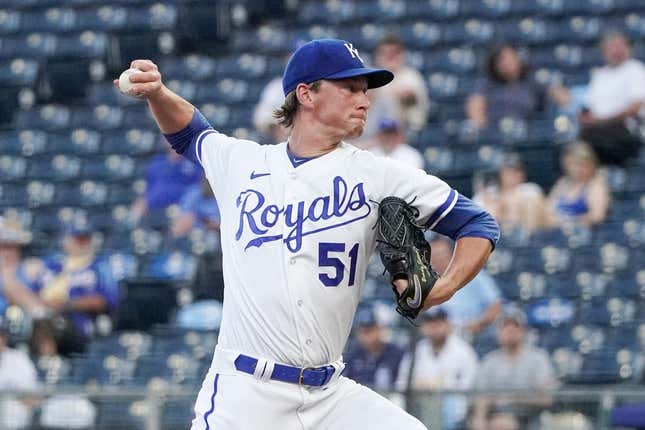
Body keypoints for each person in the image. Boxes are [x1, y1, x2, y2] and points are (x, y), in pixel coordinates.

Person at [115, 38, 499, 429]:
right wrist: (158, 93)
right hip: (246, 392)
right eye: (349, 88)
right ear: (306, 94)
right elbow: (190, 134)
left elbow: (478, 224)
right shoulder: (243, 164)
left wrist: (445, 286)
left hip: (328, 396)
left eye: (365, 90)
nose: (364, 100)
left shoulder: (380, 175)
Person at [5, 220, 119, 355]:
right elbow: (31, 292)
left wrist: (65, 305)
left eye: (85, 239)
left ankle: (47, 363)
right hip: (39, 315)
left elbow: (105, 301)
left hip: (78, 323)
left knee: (46, 322)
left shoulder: (99, 266)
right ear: (66, 240)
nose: (82, 243)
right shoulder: (52, 265)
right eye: (77, 239)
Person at [471, 307, 557, 430]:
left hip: (531, 418)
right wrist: (479, 418)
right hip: (496, 416)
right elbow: (481, 397)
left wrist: (512, 399)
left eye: (515, 326)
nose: (510, 330)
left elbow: (546, 398)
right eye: (505, 326)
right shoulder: (490, 361)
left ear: (523, 331)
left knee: (502, 424)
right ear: (498, 332)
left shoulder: (538, 358)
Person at [396, 308, 478, 430]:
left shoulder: (463, 350)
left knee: (450, 404)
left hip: (453, 407)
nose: (434, 328)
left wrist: (439, 385)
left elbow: (470, 386)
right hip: (420, 402)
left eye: (438, 323)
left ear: (448, 325)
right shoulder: (418, 349)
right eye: (430, 323)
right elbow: (402, 382)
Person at [579, 31, 645, 166]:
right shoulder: (600, 75)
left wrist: (601, 120)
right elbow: (587, 107)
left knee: (592, 137)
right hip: (598, 130)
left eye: (620, 46)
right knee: (572, 145)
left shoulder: (635, 69)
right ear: (604, 51)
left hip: (627, 129)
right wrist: (585, 118)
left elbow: (635, 108)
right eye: (612, 47)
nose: (617, 51)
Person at [465, 44, 566, 131]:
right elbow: (475, 107)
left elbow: (564, 99)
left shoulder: (532, 81)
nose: (507, 63)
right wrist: (486, 132)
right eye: (501, 60)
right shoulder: (487, 84)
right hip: (494, 133)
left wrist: (548, 82)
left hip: (526, 135)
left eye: (510, 58)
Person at [429, 237, 501, 340]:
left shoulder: (472, 272)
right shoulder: (426, 282)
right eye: (434, 256)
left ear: (452, 254)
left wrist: (478, 323)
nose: (437, 259)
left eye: (441, 254)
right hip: (442, 338)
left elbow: (496, 306)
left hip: (474, 336)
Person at [473, 153, 548, 239]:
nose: (512, 175)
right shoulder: (488, 194)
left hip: (526, 237)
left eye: (517, 171)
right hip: (497, 240)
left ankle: (527, 241)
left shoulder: (529, 189)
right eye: (507, 171)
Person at [130, 139, 202, 222]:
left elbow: (199, 191)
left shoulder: (194, 163)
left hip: (181, 209)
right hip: (154, 209)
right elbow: (148, 190)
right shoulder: (157, 164)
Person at [370, 34, 430, 132]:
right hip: (372, 135)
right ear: (377, 55)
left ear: (401, 55)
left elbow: (410, 100)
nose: (390, 57)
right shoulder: (370, 75)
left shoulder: (411, 76)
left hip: (405, 134)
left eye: (394, 53)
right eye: (385, 53)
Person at [546, 142, 610, 230]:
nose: (576, 169)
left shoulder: (596, 185)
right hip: (555, 229)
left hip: (580, 232)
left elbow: (597, 216)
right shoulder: (562, 183)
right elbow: (548, 209)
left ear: (591, 164)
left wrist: (568, 221)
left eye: (581, 165)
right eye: (572, 164)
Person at [343, 306, 405, 392]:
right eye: (362, 331)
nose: (365, 336)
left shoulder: (396, 352)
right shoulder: (352, 353)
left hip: (389, 398)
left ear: (380, 329)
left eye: (369, 330)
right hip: (359, 398)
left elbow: (402, 383)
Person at [0, 316, 39, 429]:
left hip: (13, 412)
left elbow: (31, 397)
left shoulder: (18, 358)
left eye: (1, 335)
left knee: (11, 411)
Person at [0, 217, 39, 317]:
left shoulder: (32, 269)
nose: (6, 253)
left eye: (11, 247)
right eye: (2, 246)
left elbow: (39, 310)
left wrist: (7, 275)